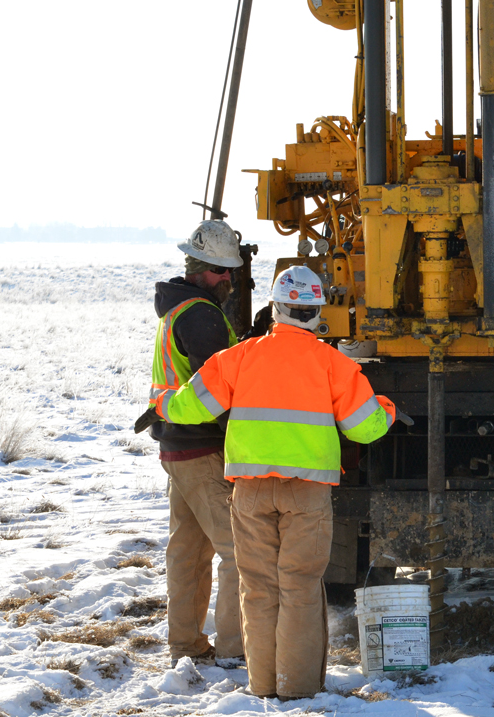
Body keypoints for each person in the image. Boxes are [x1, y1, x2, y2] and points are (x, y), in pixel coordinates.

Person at [150, 265, 398, 699]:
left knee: (258, 588)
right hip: (307, 493)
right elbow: (365, 428)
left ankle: (264, 685)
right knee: (300, 586)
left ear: (276, 307)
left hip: (249, 492)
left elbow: (193, 406)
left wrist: (163, 402)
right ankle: (297, 690)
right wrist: (386, 408)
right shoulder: (333, 364)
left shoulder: (240, 357)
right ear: (317, 311)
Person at [148, 219, 244, 669]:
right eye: (224, 272)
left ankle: (185, 644)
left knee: (187, 552)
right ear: (204, 269)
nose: (229, 280)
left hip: (176, 447)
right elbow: (216, 389)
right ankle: (235, 648)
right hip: (202, 447)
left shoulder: (178, 308)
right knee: (238, 553)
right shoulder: (203, 315)